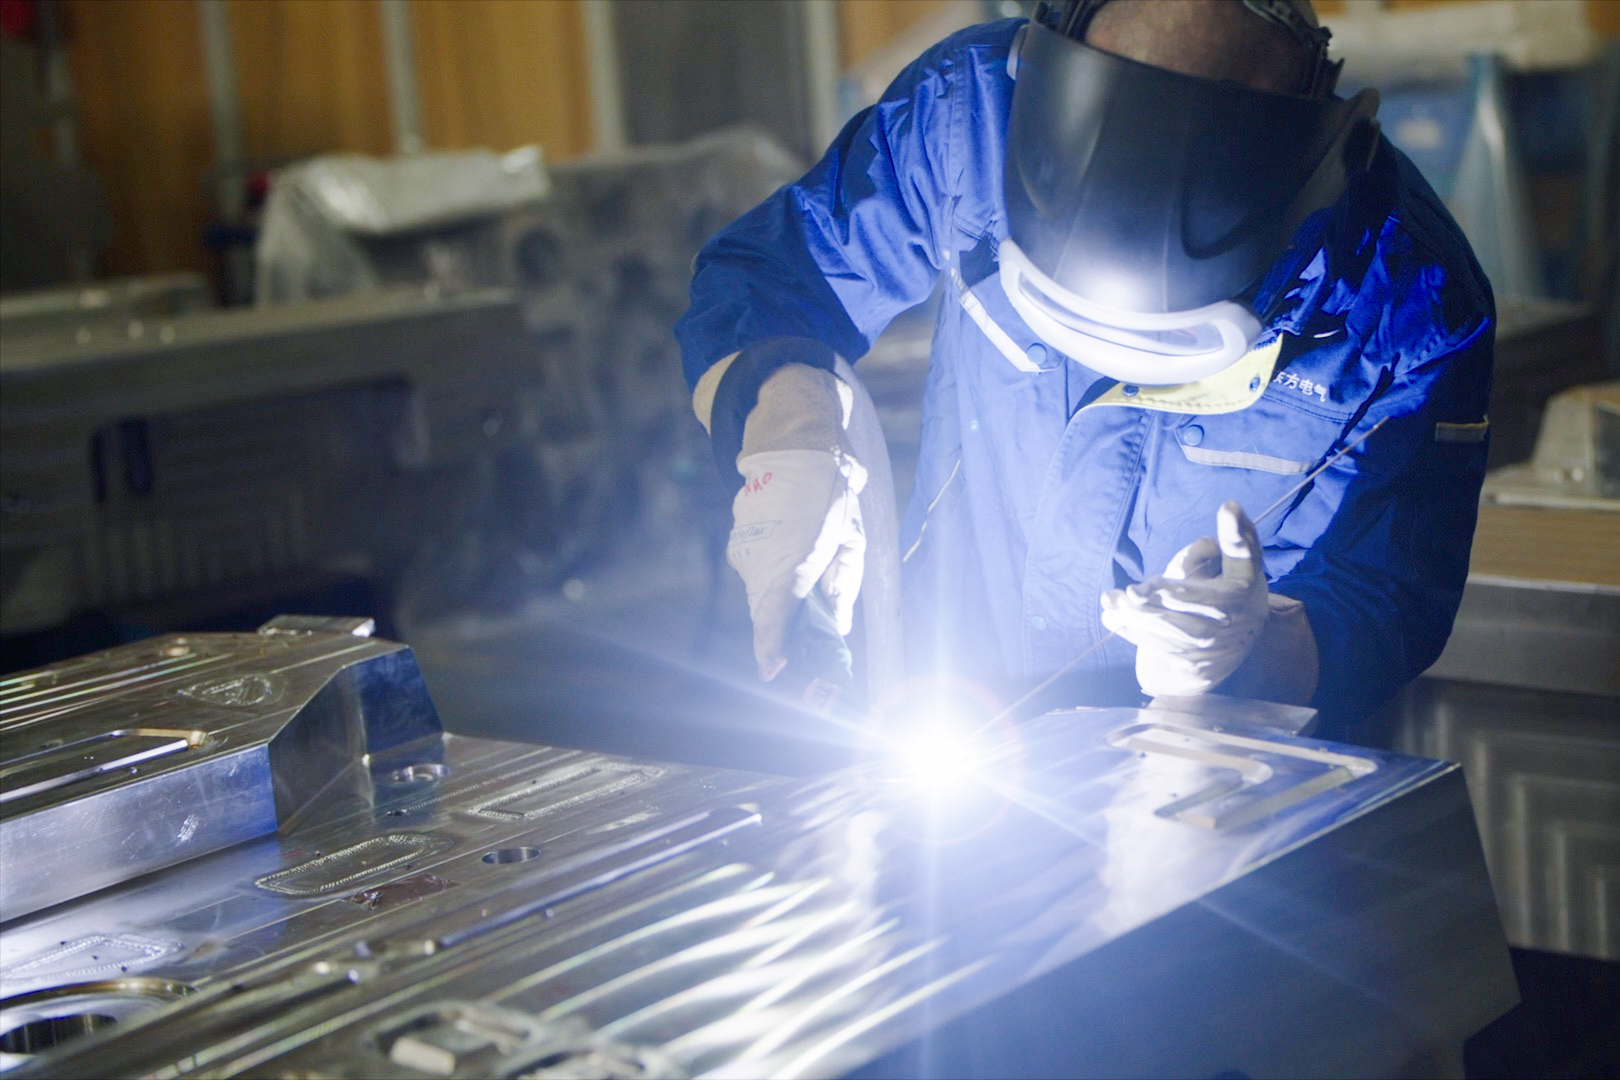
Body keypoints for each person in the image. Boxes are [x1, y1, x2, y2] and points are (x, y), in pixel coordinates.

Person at [676, 0, 1493, 740]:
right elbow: (773, 277)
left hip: (1214, 783)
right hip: (950, 716)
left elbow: (1388, 602)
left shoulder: (1411, 300)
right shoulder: (973, 115)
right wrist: (798, 437)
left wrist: (1248, 648)